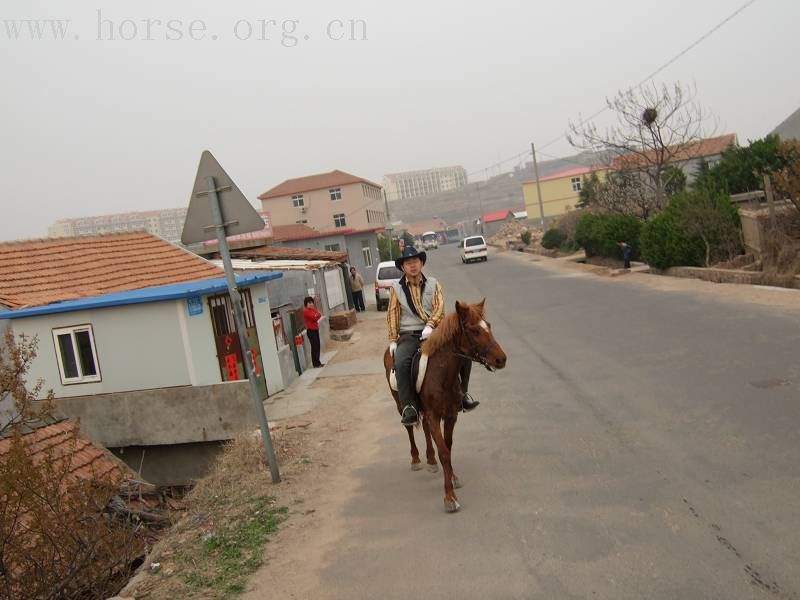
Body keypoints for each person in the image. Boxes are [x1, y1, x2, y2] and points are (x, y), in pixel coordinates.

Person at [387, 246, 479, 425]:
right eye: (408, 263)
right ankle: (409, 407)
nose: (412, 265)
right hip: (409, 335)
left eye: (415, 261)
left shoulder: (433, 283)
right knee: (401, 361)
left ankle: (462, 394)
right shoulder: (396, 289)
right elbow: (392, 314)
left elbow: (439, 307)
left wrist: (430, 326)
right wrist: (392, 339)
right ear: (403, 267)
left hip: (434, 331)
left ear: (421, 263)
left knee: (465, 350)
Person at [303, 296, 325, 368]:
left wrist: (316, 315)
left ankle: (317, 362)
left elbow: (319, 314)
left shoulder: (313, 310)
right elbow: (314, 317)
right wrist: (316, 315)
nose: (311, 304)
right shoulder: (306, 311)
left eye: (312, 302)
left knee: (317, 346)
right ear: (306, 304)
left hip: (315, 329)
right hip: (311, 331)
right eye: (309, 303)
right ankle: (316, 363)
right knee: (314, 347)